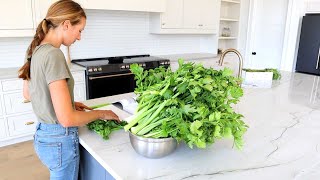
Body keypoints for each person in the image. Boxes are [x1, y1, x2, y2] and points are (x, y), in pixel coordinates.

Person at [18, 0, 120, 179]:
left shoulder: (38, 50)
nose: (79, 37)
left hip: (44, 137)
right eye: (79, 30)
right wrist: (102, 114)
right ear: (66, 25)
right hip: (59, 140)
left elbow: (28, 93)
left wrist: (68, 103)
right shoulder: (54, 55)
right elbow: (67, 119)